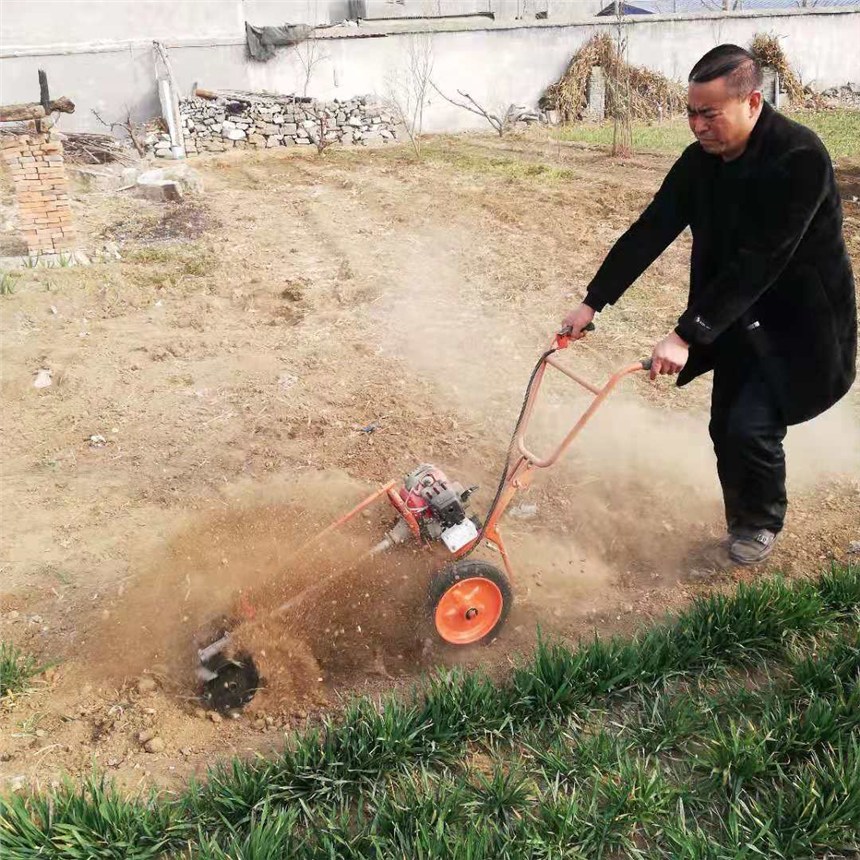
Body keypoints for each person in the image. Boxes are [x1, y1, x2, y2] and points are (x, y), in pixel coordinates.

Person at [562, 44, 857, 566]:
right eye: (691, 112)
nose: (697, 125)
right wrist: (593, 302)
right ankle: (744, 519)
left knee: (750, 425)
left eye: (710, 113)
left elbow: (761, 260)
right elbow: (650, 230)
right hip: (737, 314)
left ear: (752, 103)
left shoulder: (799, 158)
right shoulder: (699, 163)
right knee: (726, 426)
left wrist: (686, 334)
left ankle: (759, 524)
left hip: (801, 321)